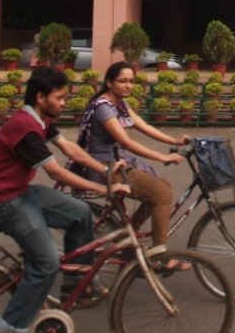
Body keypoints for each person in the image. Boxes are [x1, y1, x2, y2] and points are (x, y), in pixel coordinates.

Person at [0, 66, 128, 333]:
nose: (63, 103)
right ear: (41, 97)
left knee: (80, 212)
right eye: (59, 98)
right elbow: (56, 172)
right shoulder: (24, 128)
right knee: (47, 264)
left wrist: (105, 171)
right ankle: (4, 329)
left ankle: (77, 283)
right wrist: (103, 188)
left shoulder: (40, 119)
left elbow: (69, 148)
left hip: (22, 192)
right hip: (6, 202)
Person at [79, 62, 192, 271]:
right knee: (162, 194)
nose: (128, 85)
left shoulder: (119, 104)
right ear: (109, 82)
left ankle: (127, 237)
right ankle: (159, 256)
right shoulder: (104, 107)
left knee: (161, 185)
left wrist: (174, 141)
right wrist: (162, 157)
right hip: (104, 167)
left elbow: (144, 126)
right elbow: (126, 142)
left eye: (131, 81)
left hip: (117, 161)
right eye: (123, 81)